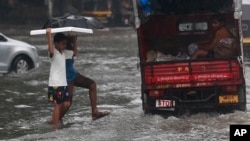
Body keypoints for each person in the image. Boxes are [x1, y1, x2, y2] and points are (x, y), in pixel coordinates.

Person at [58, 34, 110, 121]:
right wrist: (74, 40)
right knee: (68, 103)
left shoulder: (67, 47)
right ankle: (57, 118)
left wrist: (73, 40)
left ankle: (95, 112)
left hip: (74, 75)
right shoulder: (60, 50)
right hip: (66, 79)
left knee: (92, 85)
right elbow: (75, 52)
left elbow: (73, 53)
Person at [46, 29, 70, 129]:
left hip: (63, 84)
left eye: (66, 44)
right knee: (58, 105)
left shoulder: (63, 53)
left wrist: (74, 39)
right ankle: (55, 128)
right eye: (63, 43)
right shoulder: (54, 52)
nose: (65, 46)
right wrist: (49, 36)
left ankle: (54, 119)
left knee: (67, 104)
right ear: (56, 43)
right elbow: (51, 50)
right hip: (56, 84)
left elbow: (75, 53)